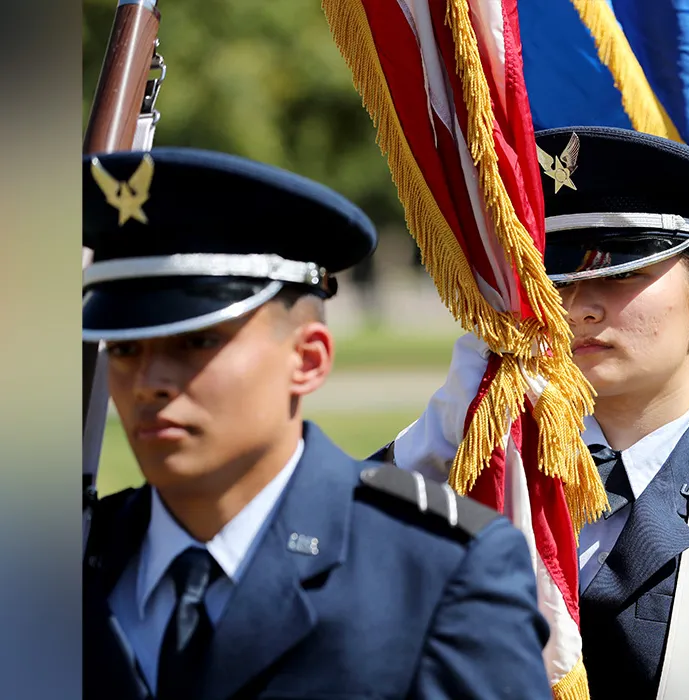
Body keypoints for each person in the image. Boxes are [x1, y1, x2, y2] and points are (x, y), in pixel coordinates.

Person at [380, 125, 689, 698]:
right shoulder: (493, 470)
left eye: (620, 274)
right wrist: (430, 442)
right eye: (555, 277)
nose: (578, 308)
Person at [81, 147, 553, 700]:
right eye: (125, 348)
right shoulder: (66, 564)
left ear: (307, 360)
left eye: (197, 341)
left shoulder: (437, 571)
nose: (148, 382)